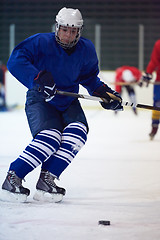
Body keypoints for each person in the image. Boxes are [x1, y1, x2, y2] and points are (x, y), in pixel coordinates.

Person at [1, 7, 123, 203]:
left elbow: (90, 77)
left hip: (68, 100)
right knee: (50, 138)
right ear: (57, 27)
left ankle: (46, 180)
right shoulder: (41, 41)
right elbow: (16, 60)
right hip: (41, 99)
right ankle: (12, 178)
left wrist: (103, 93)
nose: (68, 35)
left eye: (73, 31)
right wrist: (37, 79)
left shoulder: (86, 49)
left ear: (79, 31)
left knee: (78, 133)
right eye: (65, 29)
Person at [141, 39, 160, 140]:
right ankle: (154, 127)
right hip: (159, 81)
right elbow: (154, 61)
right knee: (157, 105)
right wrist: (148, 73)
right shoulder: (159, 44)